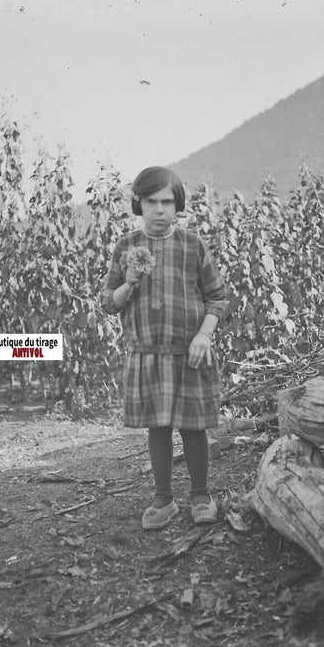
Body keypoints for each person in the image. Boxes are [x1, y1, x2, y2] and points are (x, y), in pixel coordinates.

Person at [101, 166, 227, 530]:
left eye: (167, 202)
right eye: (151, 202)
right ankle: (163, 498)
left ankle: (201, 494)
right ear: (138, 205)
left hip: (189, 352)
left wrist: (203, 335)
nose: (159, 210)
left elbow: (216, 297)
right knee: (158, 427)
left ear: (178, 206)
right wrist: (129, 284)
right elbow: (109, 302)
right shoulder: (126, 246)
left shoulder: (192, 244)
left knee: (193, 427)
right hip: (148, 354)